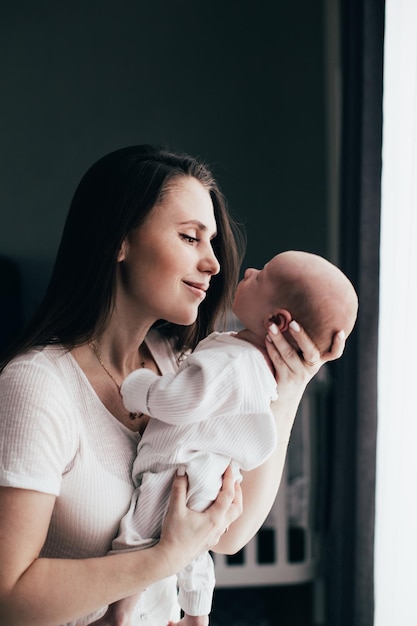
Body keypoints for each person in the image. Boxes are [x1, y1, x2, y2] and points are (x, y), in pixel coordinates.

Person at [0, 145, 346, 626]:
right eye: (190, 238)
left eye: (212, 243)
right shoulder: (36, 387)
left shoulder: (183, 365)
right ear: (119, 241)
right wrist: (162, 558)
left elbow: (228, 534)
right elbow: (8, 597)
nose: (214, 264)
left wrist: (287, 387)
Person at [92, 250, 358, 626]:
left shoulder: (234, 361)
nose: (238, 268)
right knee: (192, 553)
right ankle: (197, 614)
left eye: (262, 275)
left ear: (276, 321)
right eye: (188, 238)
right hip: (201, 473)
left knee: (138, 539)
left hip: (179, 471)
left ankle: (119, 612)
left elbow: (182, 398)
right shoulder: (246, 363)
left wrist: (137, 389)